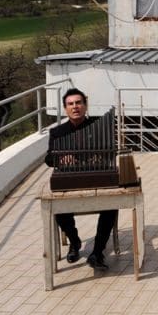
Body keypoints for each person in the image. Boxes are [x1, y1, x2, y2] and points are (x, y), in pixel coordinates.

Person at [44, 88, 117, 270]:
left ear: (85, 105)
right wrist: (61, 158)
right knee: (59, 207)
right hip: (70, 178)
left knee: (110, 206)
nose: (75, 107)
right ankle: (75, 241)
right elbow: (48, 159)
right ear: (65, 108)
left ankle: (97, 252)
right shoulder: (57, 132)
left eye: (78, 103)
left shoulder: (100, 125)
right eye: (70, 104)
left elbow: (111, 149)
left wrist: (100, 156)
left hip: (96, 176)